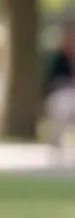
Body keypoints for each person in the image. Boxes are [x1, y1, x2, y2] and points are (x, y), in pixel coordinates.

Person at [43, 20, 75, 156]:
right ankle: (55, 144)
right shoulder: (58, 59)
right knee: (63, 104)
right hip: (63, 93)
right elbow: (51, 80)